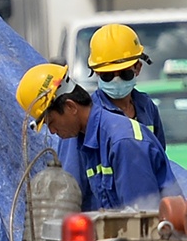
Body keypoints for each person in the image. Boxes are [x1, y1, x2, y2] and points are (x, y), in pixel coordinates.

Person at [16, 62, 174, 210]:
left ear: (71, 107)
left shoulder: (123, 142)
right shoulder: (87, 140)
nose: (51, 131)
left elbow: (142, 221)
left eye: (51, 122)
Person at [86, 22, 168, 144]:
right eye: (107, 75)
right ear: (97, 73)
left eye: (125, 74)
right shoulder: (88, 115)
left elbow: (159, 157)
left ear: (138, 68)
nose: (116, 80)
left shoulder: (147, 107)